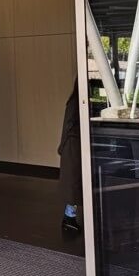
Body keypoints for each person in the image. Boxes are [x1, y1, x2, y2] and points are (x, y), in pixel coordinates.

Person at [58, 82, 83, 232]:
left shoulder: (75, 99)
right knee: (74, 184)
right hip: (74, 142)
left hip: (74, 141)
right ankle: (69, 218)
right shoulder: (78, 100)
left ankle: (70, 217)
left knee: (74, 184)